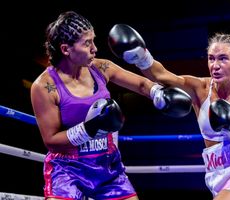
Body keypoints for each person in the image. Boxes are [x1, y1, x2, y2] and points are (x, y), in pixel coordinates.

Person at [30, 11, 192, 200]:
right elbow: (50, 141)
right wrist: (89, 128)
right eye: (87, 43)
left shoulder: (100, 68)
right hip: (68, 170)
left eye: (93, 41)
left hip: (107, 167)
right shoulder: (44, 86)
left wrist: (158, 94)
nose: (94, 49)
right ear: (66, 49)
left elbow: (141, 84)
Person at [109, 25, 230, 200]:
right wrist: (141, 56)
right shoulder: (200, 89)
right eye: (211, 58)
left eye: (223, 59)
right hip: (216, 176)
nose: (215, 66)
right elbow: (161, 75)